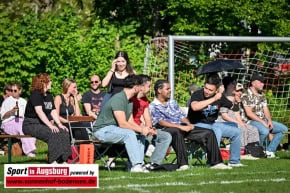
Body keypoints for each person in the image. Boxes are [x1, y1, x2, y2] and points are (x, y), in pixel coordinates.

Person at [150, 79, 232, 171]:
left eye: (170, 88)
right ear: (159, 90)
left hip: (181, 127)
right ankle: (183, 164)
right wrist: (181, 127)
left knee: (209, 132)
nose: (170, 91)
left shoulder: (172, 102)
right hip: (166, 129)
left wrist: (189, 124)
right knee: (176, 131)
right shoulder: (153, 106)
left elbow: (181, 116)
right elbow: (161, 122)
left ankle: (216, 162)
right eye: (167, 89)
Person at [93, 74, 152, 173]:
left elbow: (130, 122)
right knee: (129, 134)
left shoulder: (129, 100)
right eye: (140, 85)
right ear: (135, 87)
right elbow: (122, 124)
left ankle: (139, 164)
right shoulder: (119, 98)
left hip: (114, 129)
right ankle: (136, 165)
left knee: (140, 136)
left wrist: (144, 130)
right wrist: (141, 129)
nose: (142, 88)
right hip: (102, 130)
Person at [187, 73, 244, 167]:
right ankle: (213, 162)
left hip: (212, 124)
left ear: (217, 89)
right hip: (197, 125)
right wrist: (213, 98)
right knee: (216, 130)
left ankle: (234, 161)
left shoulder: (220, 97)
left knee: (236, 131)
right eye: (206, 88)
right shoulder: (198, 94)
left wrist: (237, 102)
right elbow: (195, 107)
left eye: (210, 90)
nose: (207, 91)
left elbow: (233, 107)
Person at [22, 73, 71, 164]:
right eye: (49, 80)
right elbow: (39, 111)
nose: (51, 82)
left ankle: (63, 160)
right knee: (53, 133)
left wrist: (60, 124)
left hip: (42, 123)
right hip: (30, 124)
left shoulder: (48, 95)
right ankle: (53, 160)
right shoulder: (36, 94)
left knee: (63, 131)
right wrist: (50, 126)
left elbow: (52, 111)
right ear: (43, 83)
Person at [241, 73, 288, 158]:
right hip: (250, 121)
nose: (262, 84)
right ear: (253, 83)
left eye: (263, 82)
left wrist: (269, 120)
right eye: (260, 82)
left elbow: (265, 109)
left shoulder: (261, 95)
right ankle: (257, 150)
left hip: (262, 121)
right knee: (265, 131)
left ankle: (270, 151)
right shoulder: (245, 94)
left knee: (283, 129)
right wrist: (263, 122)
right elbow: (249, 113)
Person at [131, 75, 172, 170]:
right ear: (141, 87)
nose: (150, 89)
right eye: (149, 86)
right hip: (132, 128)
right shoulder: (131, 98)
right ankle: (136, 162)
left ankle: (153, 163)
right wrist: (143, 128)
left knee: (165, 136)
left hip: (142, 128)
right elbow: (128, 120)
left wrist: (150, 128)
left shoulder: (145, 100)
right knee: (144, 136)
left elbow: (147, 118)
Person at [217, 77, 260, 159]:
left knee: (252, 129)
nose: (239, 92)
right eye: (237, 89)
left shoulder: (234, 99)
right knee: (241, 129)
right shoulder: (224, 98)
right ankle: (241, 151)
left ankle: (252, 150)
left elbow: (237, 114)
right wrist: (237, 123)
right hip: (224, 121)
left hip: (234, 121)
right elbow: (224, 116)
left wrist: (241, 122)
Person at [0, 82, 36, 157]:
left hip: (21, 121)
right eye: (12, 90)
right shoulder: (7, 101)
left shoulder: (23, 101)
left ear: (20, 91)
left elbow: (27, 115)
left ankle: (32, 149)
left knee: (30, 127)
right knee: (21, 128)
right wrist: (11, 111)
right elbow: (3, 116)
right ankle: (29, 151)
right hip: (9, 122)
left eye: (15, 90)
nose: (13, 92)